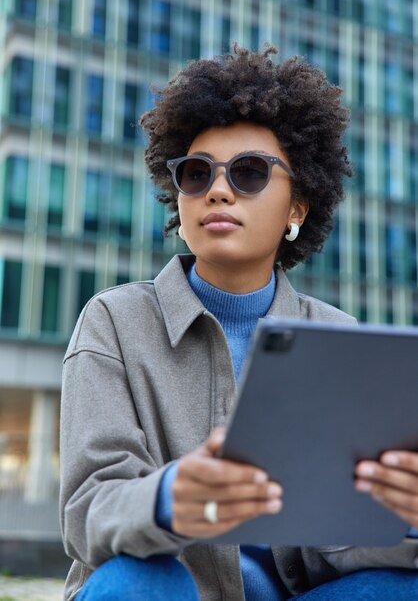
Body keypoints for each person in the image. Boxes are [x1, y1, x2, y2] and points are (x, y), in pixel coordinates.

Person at [60, 45, 418, 601]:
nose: (218, 190)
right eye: (196, 174)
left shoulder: (339, 336)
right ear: (178, 201)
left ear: (298, 207)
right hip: (166, 589)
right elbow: (89, 513)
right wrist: (168, 498)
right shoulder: (113, 320)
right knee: (137, 578)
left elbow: (341, 549)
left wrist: (406, 518)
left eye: (249, 173)